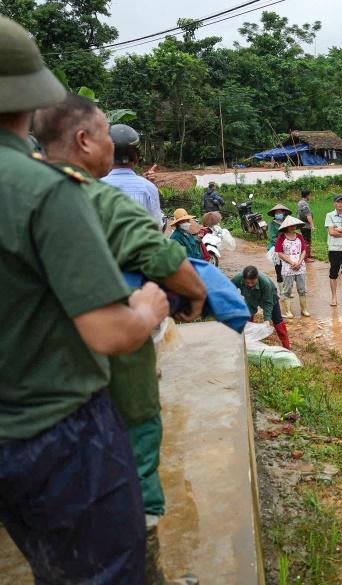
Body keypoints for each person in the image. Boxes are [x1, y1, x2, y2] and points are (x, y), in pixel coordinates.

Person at [0, 16, 168, 584]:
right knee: (103, 570)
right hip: (56, 429)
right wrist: (148, 306)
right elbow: (109, 332)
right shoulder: (44, 190)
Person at [33, 94, 206, 585]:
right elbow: (160, 250)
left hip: (41, 380)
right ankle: (144, 569)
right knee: (136, 448)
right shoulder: (106, 196)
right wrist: (192, 296)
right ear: (86, 142)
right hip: (115, 330)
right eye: (103, 132)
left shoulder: (25, 191)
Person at [101, 123, 163, 226]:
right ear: (136, 158)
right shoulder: (149, 188)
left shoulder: (95, 188)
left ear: (107, 156)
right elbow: (157, 227)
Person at [231, 266, 291, 349]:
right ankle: (247, 345)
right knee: (246, 319)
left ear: (257, 278)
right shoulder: (238, 278)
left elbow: (268, 303)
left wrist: (267, 319)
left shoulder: (265, 283)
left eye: (252, 282)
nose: (250, 285)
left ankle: (287, 348)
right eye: (247, 283)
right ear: (243, 279)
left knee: (278, 322)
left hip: (269, 297)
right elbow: (229, 289)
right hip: (250, 298)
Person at [275, 216, 310, 318]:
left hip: (300, 267)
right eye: (291, 225)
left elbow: (303, 250)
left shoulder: (299, 236)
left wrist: (299, 261)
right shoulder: (281, 237)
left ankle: (304, 309)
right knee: (287, 290)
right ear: (287, 226)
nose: (293, 226)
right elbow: (279, 252)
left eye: (294, 225)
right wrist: (291, 262)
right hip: (287, 267)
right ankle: (288, 312)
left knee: (302, 289)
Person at [267, 202, 292, 283]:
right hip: (276, 248)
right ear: (274, 214)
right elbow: (272, 237)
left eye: (280, 212)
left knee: (288, 268)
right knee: (279, 268)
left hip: (287, 247)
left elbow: (291, 233)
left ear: (283, 212)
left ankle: (287, 288)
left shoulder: (287, 222)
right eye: (276, 213)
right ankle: (282, 290)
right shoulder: (272, 224)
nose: (278, 214)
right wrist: (282, 244)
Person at [297, 188, 315, 262]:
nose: (310, 197)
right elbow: (308, 215)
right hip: (305, 225)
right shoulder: (304, 204)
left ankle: (308, 254)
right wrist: (312, 225)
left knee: (307, 240)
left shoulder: (300, 202)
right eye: (309, 195)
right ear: (307, 195)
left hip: (303, 224)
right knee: (306, 240)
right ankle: (305, 257)